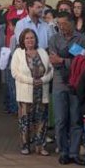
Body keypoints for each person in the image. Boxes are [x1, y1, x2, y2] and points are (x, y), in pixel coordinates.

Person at [47, 12, 85, 165]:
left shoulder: (81, 39)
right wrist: (67, 61)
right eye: (59, 24)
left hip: (75, 82)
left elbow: (80, 62)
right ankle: (63, 151)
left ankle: (74, 152)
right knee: (61, 119)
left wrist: (62, 60)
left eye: (64, 24)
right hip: (59, 82)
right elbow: (54, 61)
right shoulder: (54, 39)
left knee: (76, 118)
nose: (61, 27)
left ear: (72, 23)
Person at [10, 28, 53, 156]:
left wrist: (44, 79)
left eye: (32, 38)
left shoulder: (42, 52)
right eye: (27, 38)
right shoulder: (18, 53)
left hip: (41, 91)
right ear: (23, 40)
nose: (30, 40)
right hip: (26, 93)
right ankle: (25, 145)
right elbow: (15, 73)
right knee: (25, 120)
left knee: (41, 120)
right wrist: (31, 81)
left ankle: (41, 146)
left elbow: (51, 70)